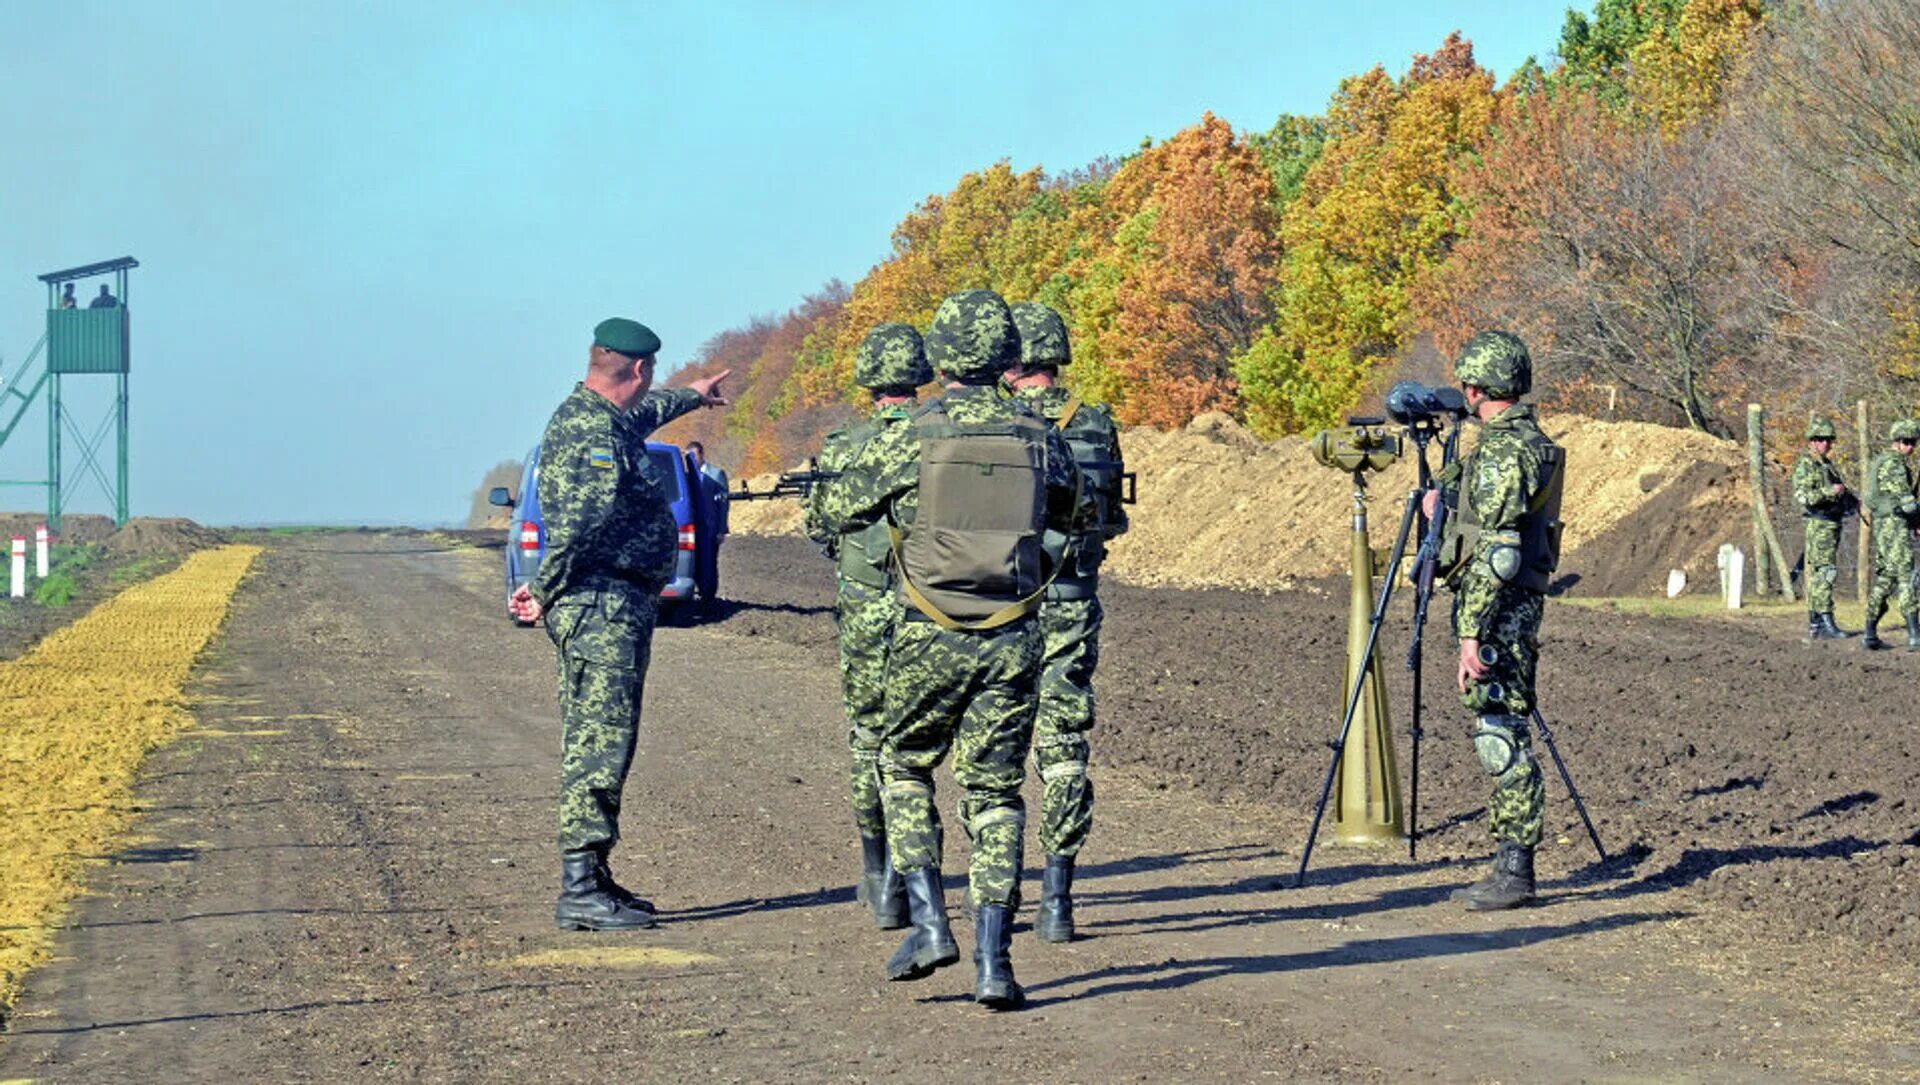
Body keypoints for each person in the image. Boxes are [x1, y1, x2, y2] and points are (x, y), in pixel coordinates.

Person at [813, 289, 1082, 1010]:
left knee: (903, 766)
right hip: (1012, 637)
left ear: (942, 355)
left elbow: (836, 511)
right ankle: (996, 963)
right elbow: (1074, 514)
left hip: (929, 632)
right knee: (996, 793)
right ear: (1003, 354)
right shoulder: (1040, 435)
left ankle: (930, 924)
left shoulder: (912, 434)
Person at [507, 317, 731, 930]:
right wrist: (543, 589)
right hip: (598, 605)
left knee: (610, 736)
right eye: (650, 373)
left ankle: (595, 874)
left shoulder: (605, 416)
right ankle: (579, 886)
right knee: (598, 741)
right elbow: (582, 524)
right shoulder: (589, 432)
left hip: (615, 602)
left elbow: (647, 410)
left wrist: (693, 393)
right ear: (637, 368)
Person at [1427, 330, 1564, 911]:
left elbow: (1499, 551)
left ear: (1482, 385)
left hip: (1499, 616)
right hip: (1506, 611)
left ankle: (1516, 869)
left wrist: (1470, 633)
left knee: (1500, 736)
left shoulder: (1508, 451)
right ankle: (1512, 864)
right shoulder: (1509, 445)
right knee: (1500, 728)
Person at [1004, 301, 1128, 944]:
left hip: (1002, 605)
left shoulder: (996, 424)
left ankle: (998, 900)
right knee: (1063, 746)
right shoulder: (1096, 422)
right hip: (1074, 598)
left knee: (997, 748)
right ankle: (1058, 900)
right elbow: (1111, 518)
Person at [802, 323, 932, 931]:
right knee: (926, 747)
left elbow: (820, 528)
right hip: (938, 610)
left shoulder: (844, 447)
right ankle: (919, 874)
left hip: (866, 606)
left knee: (870, 737)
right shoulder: (945, 436)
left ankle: (880, 876)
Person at [1793, 418, 1857, 640]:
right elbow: (1804, 496)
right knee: (1824, 573)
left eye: (1829, 440)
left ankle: (1817, 622)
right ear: (1812, 441)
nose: (1826, 444)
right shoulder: (1805, 465)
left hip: (1831, 523)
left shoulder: (1827, 465)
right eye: (1821, 439)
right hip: (1819, 524)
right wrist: (1831, 491)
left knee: (1824, 572)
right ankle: (1824, 621)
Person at [1860, 419, 1920, 651]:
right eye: (1906, 442)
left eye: (1913, 442)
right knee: (1906, 577)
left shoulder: (1881, 462)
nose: (1910, 447)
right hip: (1894, 525)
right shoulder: (1894, 465)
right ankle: (1914, 634)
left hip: (1883, 525)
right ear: (1896, 442)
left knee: (1886, 578)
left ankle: (1869, 633)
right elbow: (1907, 504)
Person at [685, 441, 729, 604]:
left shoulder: (716, 475)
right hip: (691, 527)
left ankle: (709, 596)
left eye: (694, 455)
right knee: (694, 563)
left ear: (702, 455)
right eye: (688, 456)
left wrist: (721, 529)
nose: (692, 460)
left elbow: (723, 505)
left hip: (710, 528)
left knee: (709, 563)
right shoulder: (686, 476)